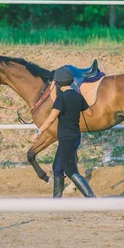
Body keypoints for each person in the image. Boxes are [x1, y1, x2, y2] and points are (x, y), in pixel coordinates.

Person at [36, 66, 95, 198]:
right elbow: (90, 113)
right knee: (57, 167)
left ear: (58, 83)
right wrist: (80, 99)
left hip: (66, 138)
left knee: (70, 170)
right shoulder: (78, 96)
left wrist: (38, 130)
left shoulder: (61, 98)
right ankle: (56, 200)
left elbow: (51, 118)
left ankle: (91, 198)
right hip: (75, 137)